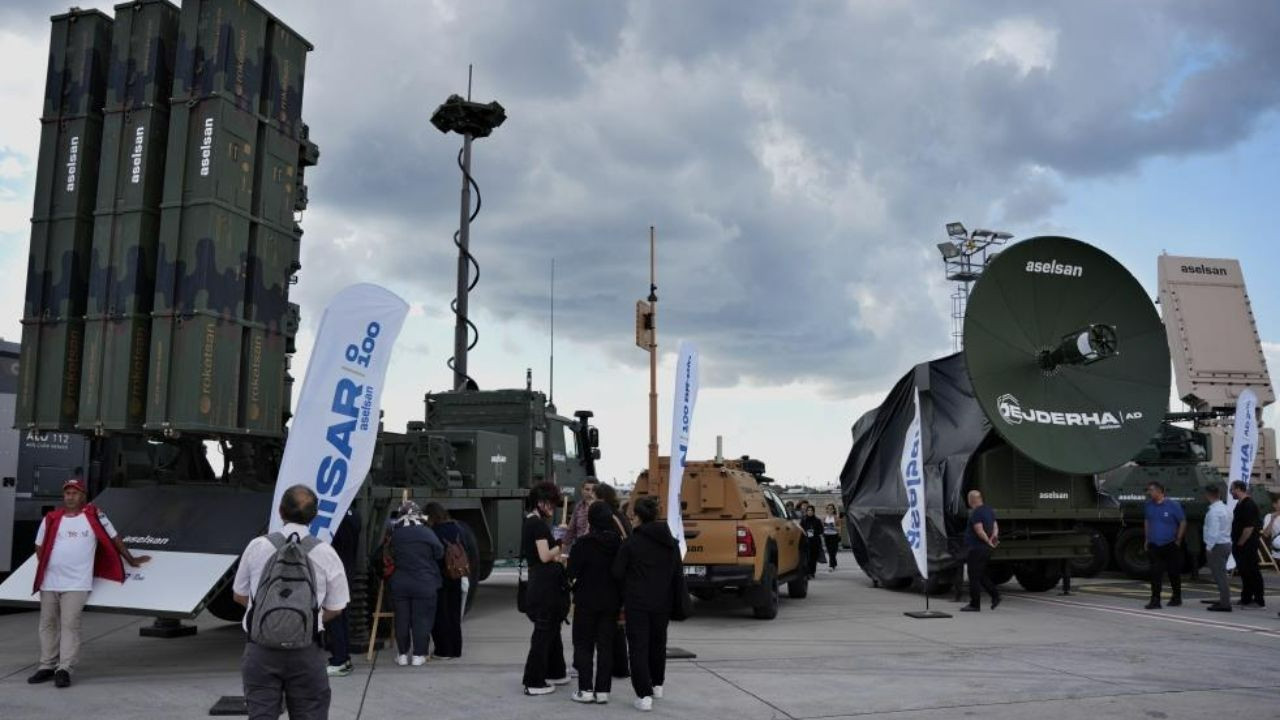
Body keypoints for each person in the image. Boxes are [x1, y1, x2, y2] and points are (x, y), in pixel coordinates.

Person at [233, 485, 349, 720]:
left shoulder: (258, 546)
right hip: (307, 651)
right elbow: (336, 608)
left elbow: (239, 594)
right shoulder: (326, 552)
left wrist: (268, 618)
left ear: (280, 511)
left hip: (260, 650)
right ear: (314, 516)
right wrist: (306, 621)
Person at [27, 477, 151, 688]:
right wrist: (49, 566)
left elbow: (114, 537)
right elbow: (39, 546)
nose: (70, 496)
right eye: (67, 493)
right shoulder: (52, 518)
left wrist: (130, 559)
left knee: (70, 625)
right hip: (49, 582)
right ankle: (46, 666)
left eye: (75, 493)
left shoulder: (94, 516)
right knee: (47, 625)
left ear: (83, 495)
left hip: (76, 584)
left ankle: (64, 668)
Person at [613, 495, 682, 712]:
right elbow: (676, 574)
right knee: (658, 643)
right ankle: (657, 684)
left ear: (639, 517)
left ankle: (644, 694)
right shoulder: (671, 543)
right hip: (663, 602)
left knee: (638, 647)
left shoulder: (631, 543)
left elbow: (616, 572)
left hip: (637, 603)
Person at [567, 502, 623, 704]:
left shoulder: (583, 544)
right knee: (605, 646)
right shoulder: (619, 544)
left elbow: (571, 573)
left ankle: (585, 689)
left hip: (586, 600)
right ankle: (603, 691)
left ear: (590, 520)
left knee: (583, 645)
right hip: (611, 601)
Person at [521, 482, 570, 695]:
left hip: (540, 582)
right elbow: (544, 556)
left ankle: (556, 672)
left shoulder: (531, 522)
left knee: (551, 629)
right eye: (550, 503)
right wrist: (560, 542)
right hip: (545, 584)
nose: (552, 508)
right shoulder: (539, 525)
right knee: (544, 630)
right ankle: (534, 682)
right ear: (540, 502)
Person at [387, 501, 444, 665]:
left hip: (400, 582)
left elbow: (389, 554)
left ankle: (403, 654)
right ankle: (419, 655)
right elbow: (439, 553)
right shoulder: (427, 533)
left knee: (402, 619)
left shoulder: (395, 534)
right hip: (424, 582)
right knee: (422, 619)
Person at [425, 502, 474, 659]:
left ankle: (443, 650)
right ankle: (456, 649)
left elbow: (434, 554)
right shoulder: (457, 528)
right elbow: (466, 548)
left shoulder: (433, 532)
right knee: (454, 613)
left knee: (441, 614)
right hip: (457, 575)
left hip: (440, 576)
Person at [595, 482, 631, 680]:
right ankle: (621, 667)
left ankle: (617, 666)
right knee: (617, 624)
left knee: (612, 626)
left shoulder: (610, 517)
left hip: (613, 576)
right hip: (618, 576)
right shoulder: (619, 515)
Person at [325, 508, 361, 677]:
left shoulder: (336, 518)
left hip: (334, 572)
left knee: (334, 618)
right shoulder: (354, 516)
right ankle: (343, 657)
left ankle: (339, 659)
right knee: (342, 616)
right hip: (347, 571)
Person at [1142, 481, 1185, 610]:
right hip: (1154, 545)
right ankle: (1155, 600)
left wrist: (1178, 540)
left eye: (1151, 490)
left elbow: (1182, 522)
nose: (1149, 493)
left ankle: (1176, 597)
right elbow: (1147, 521)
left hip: (1170, 544)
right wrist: (1147, 539)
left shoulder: (1173, 505)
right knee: (1155, 573)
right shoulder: (1148, 505)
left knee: (1173, 572)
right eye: (1148, 490)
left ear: (1159, 491)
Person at [960, 490, 1000, 612]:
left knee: (973, 577)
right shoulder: (989, 510)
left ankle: (975, 604)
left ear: (971, 500)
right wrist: (994, 538)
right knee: (981, 574)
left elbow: (979, 530)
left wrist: (987, 540)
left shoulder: (975, 513)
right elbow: (995, 526)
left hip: (976, 548)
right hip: (986, 550)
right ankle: (995, 596)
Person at [1229, 481, 1264, 608]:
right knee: (1244, 572)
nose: (1231, 492)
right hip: (1240, 544)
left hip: (1247, 545)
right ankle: (1246, 598)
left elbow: (1249, 527)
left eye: (1232, 489)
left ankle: (1259, 600)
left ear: (1239, 489)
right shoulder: (1240, 504)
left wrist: (1240, 543)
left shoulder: (1248, 505)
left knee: (1252, 571)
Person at [1202, 485, 1232, 612]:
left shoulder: (1214, 511)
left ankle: (1225, 603)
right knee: (1222, 574)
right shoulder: (1226, 508)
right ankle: (1224, 599)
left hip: (1217, 545)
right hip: (1226, 543)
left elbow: (1213, 531)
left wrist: (1209, 546)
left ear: (1208, 495)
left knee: (1220, 576)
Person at [562, 477, 599, 554]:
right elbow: (571, 530)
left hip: (596, 549)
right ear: (582, 490)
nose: (590, 493)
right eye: (587, 489)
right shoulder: (579, 507)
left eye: (593, 490)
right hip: (581, 547)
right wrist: (562, 551)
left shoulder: (601, 507)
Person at [800, 505, 824, 579]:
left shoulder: (817, 520)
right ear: (806, 512)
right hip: (806, 542)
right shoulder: (803, 520)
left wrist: (814, 532)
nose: (810, 512)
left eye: (811, 510)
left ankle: (812, 572)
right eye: (808, 510)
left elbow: (821, 530)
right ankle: (807, 573)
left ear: (813, 512)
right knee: (807, 558)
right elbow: (801, 529)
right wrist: (806, 533)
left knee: (813, 558)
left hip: (815, 542)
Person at [822, 504, 841, 572]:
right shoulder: (824, 518)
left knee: (834, 551)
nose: (830, 510)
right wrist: (825, 528)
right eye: (828, 508)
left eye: (831, 509)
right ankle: (832, 565)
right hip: (827, 535)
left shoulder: (836, 518)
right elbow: (822, 527)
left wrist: (833, 527)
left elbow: (839, 527)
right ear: (826, 510)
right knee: (830, 551)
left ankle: (832, 564)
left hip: (834, 536)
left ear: (833, 510)